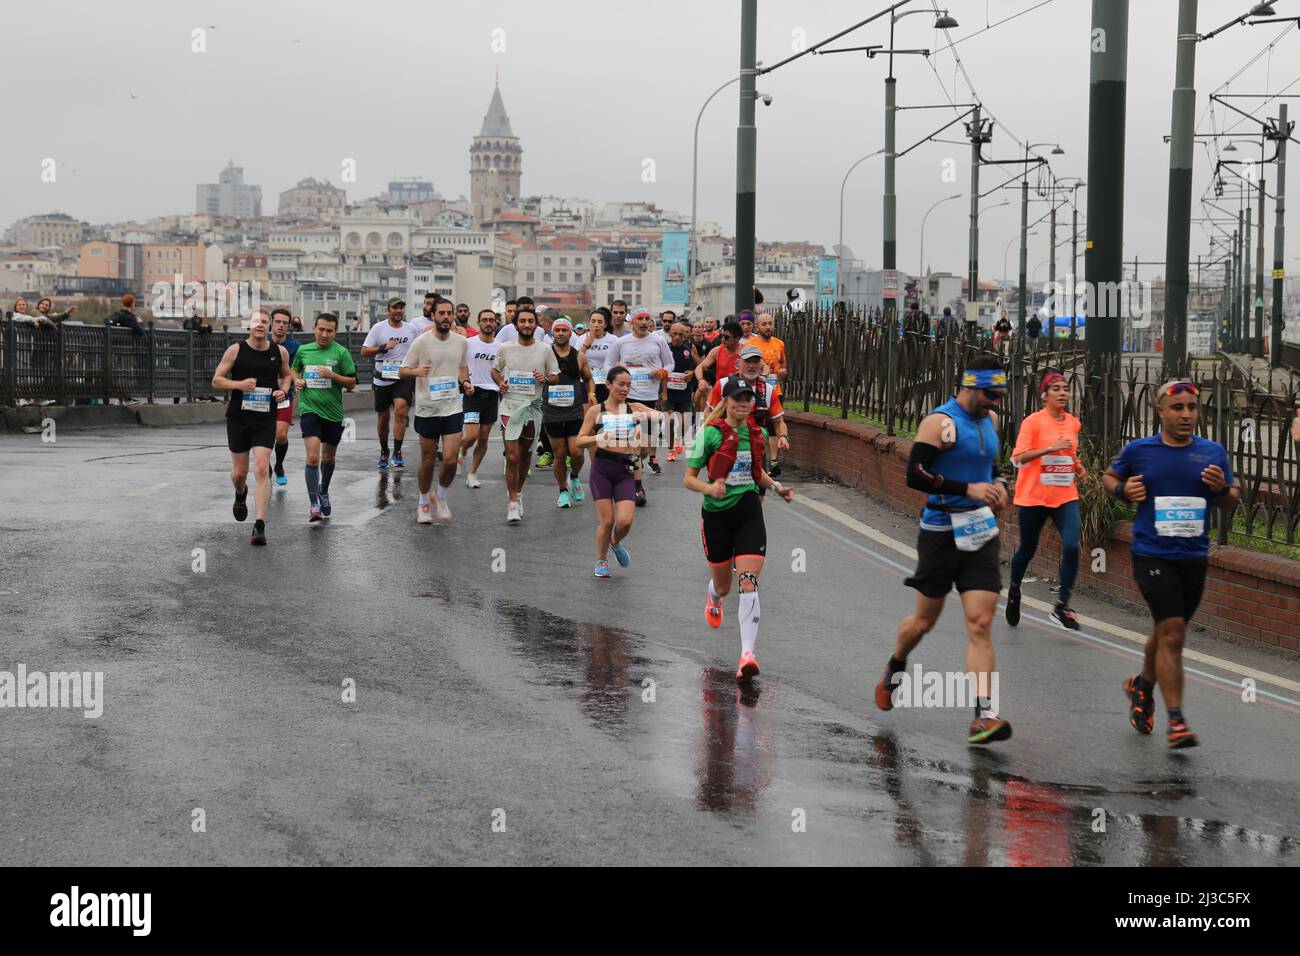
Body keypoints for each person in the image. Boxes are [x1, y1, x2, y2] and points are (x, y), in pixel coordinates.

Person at [873, 356, 1013, 745]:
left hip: (981, 532)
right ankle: (896, 663)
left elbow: (991, 466)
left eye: (1000, 396)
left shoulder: (992, 422)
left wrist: (999, 485)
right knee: (923, 622)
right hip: (940, 532)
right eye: (990, 395)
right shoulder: (939, 423)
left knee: (981, 624)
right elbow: (915, 475)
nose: (995, 403)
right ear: (970, 385)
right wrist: (965, 489)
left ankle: (984, 715)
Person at [1104, 380, 1240, 749]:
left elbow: (1231, 499)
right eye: (1177, 407)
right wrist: (1122, 490)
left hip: (1193, 556)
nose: (1186, 414)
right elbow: (1110, 477)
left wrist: (1221, 491)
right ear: (1160, 411)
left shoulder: (1211, 452)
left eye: (1191, 408)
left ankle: (1141, 686)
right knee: (1174, 632)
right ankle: (1176, 721)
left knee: (1166, 630)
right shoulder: (1140, 450)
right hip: (1151, 554)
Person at [684, 377, 794, 681]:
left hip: (748, 512)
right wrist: (709, 488)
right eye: (737, 399)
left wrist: (776, 487)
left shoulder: (756, 432)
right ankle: (714, 596)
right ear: (727, 402)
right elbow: (688, 478)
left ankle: (747, 655)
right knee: (724, 586)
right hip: (716, 517)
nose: (743, 404)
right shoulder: (710, 434)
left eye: (748, 399)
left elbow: (756, 471)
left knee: (748, 581)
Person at [1006, 372, 1085, 630]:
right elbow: (1017, 458)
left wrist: (1078, 467)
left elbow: (1070, 453)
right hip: (1033, 496)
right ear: (1044, 395)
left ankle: (1062, 605)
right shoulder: (1033, 423)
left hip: (1064, 495)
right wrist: (1049, 448)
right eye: (1056, 389)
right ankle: (1015, 589)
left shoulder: (1073, 423)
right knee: (1028, 548)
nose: (1063, 393)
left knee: (1072, 545)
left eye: (1065, 389)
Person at [211, 310, 292, 545]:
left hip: (265, 417)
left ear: (268, 326)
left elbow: (286, 376)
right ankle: (240, 493)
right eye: (256, 322)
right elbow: (216, 380)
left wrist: (283, 390)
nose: (260, 325)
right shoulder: (236, 350)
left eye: (264, 322)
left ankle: (259, 525)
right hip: (239, 417)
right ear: (249, 326)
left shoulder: (280, 352)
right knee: (239, 473)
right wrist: (239, 384)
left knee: (261, 469)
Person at [577, 367, 662, 576]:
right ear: (608, 385)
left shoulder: (634, 408)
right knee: (607, 521)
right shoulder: (597, 411)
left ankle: (615, 542)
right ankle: (601, 560)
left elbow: (661, 416)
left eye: (628, 385)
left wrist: (645, 417)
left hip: (626, 468)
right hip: (602, 468)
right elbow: (580, 440)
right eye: (620, 384)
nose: (625, 389)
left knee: (625, 521)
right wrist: (598, 438)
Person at [400, 299, 470, 523]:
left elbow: (462, 366)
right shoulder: (421, 342)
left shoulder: (461, 341)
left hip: (452, 406)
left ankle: (440, 494)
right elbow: (402, 371)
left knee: (450, 460)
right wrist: (416, 371)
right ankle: (423, 502)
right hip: (427, 408)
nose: (447, 317)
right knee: (428, 459)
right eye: (442, 313)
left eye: (450, 313)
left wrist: (466, 382)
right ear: (433, 316)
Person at [492, 307, 559, 523]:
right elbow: (495, 370)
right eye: (523, 321)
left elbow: (555, 376)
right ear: (515, 324)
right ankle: (512, 502)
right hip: (510, 406)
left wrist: (545, 378)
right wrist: (500, 382)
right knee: (511, 457)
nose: (527, 325)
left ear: (537, 324)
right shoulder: (505, 348)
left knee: (524, 458)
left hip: (533, 407)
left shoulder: (545, 349)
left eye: (531, 321)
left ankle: (518, 494)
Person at [290, 312, 357, 522]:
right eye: (321, 329)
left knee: (328, 458)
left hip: (333, 413)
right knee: (312, 457)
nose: (324, 334)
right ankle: (313, 504)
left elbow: (352, 382)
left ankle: (324, 490)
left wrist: (333, 376)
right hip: (309, 409)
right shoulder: (304, 350)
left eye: (329, 330)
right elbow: (293, 370)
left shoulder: (341, 352)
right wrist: (297, 381)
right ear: (314, 328)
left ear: (335, 332)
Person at [606, 308, 672, 504]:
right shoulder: (621, 342)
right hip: (627, 398)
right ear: (631, 322)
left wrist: (662, 372)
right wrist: (616, 382)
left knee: (644, 447)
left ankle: (637, 466)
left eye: (647, 319)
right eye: (639, 319)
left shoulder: (658, 341)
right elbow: (609, 364)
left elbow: (670, 364)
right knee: (631, 444)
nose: (643, 322)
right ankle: (637, 486)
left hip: (649, 398)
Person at [543, 318, 595, 508]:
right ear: (553, 333)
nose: (561, 334)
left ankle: (574, 477)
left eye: (565, 330)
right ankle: (563, 491)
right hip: (552, 411)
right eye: (557, 331)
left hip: (574, 410)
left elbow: (589, 379)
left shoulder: (579, 356)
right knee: (559, 454)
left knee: (577, 452)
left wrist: (591, 393)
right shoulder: (545, 354)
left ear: (570, 333)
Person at [360, 297, 416, 470]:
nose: (399, 311)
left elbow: (419, 348)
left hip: (402, 377)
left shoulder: (411, 329)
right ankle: (384, 450)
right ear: (388, 310)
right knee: (383, 417)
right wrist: (383, 347)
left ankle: (397, 452)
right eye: (395, 308)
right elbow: (364, 352)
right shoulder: (379, 328)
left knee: (400, 411)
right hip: (382, 378)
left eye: (401, 308)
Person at [462, 309, 501, 488]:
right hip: (472, 393)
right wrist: (465, 382)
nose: (488, 323)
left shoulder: (501, 347)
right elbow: (460, 366)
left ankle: (472, 473)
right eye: (484, 320)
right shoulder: (468, 344)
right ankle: (461, 451)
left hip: (492, 395)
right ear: (478, 323)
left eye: (491, 320)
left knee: (484, 437)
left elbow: (504, 371)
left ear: (496, 323)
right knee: (471, 435)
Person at [750, 312, 788, 476]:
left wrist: (783, 372)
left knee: (775, 424)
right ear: (757, 327)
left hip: (774, 390)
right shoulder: (751, 344)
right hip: (756, 391)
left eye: (770, 323)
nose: (768, 327)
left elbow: (783, 365)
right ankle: (757, 459)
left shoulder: (780, 343)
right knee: (756, 425)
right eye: (764, 324)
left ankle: (774, 463)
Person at [270, 308, 301, 485]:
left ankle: (279, 465)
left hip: (284, 395)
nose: (281, 326)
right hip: (261, 396)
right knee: (262, 435)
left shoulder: (295, 347)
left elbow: (296, 370)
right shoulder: (262, 342)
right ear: (271, 323)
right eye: (278, 322)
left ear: (289, 326)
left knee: (280, 435)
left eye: (285, 323)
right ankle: (264, 467)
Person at [664, 322, 697, 460]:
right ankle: (671, 450)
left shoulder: (689, 348)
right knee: (670, 421)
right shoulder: (665, 348)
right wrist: (663, 392)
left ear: (685, 335)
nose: (677, 337)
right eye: (675, 334)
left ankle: (679, 437)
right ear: (670, 334)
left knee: (685, 422)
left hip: (684, 391)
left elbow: (700, 365)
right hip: (669, 392)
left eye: (681, 334)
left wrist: (693, 373)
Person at [694, 320, 744, 403]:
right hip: (720, 395)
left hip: (739, 395)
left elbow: (763, 366)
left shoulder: (746, 352)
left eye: (727, 337)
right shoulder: (717, 351)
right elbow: (700, 367)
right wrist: (701, 380)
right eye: (722, 336)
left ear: (737, 338)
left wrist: (763, 375)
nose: (723, 339)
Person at [580, 308, 616, 404]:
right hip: (586, 383)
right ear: (589, 323)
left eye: (600, 322)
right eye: (593, 321)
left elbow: (618, 361)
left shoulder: (613, 340)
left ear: (605, 324)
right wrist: (585, 345)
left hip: (606, 383)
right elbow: (576, 361)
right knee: (588, 415)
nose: (596, 325)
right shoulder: (581, 339)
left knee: (605, 415)